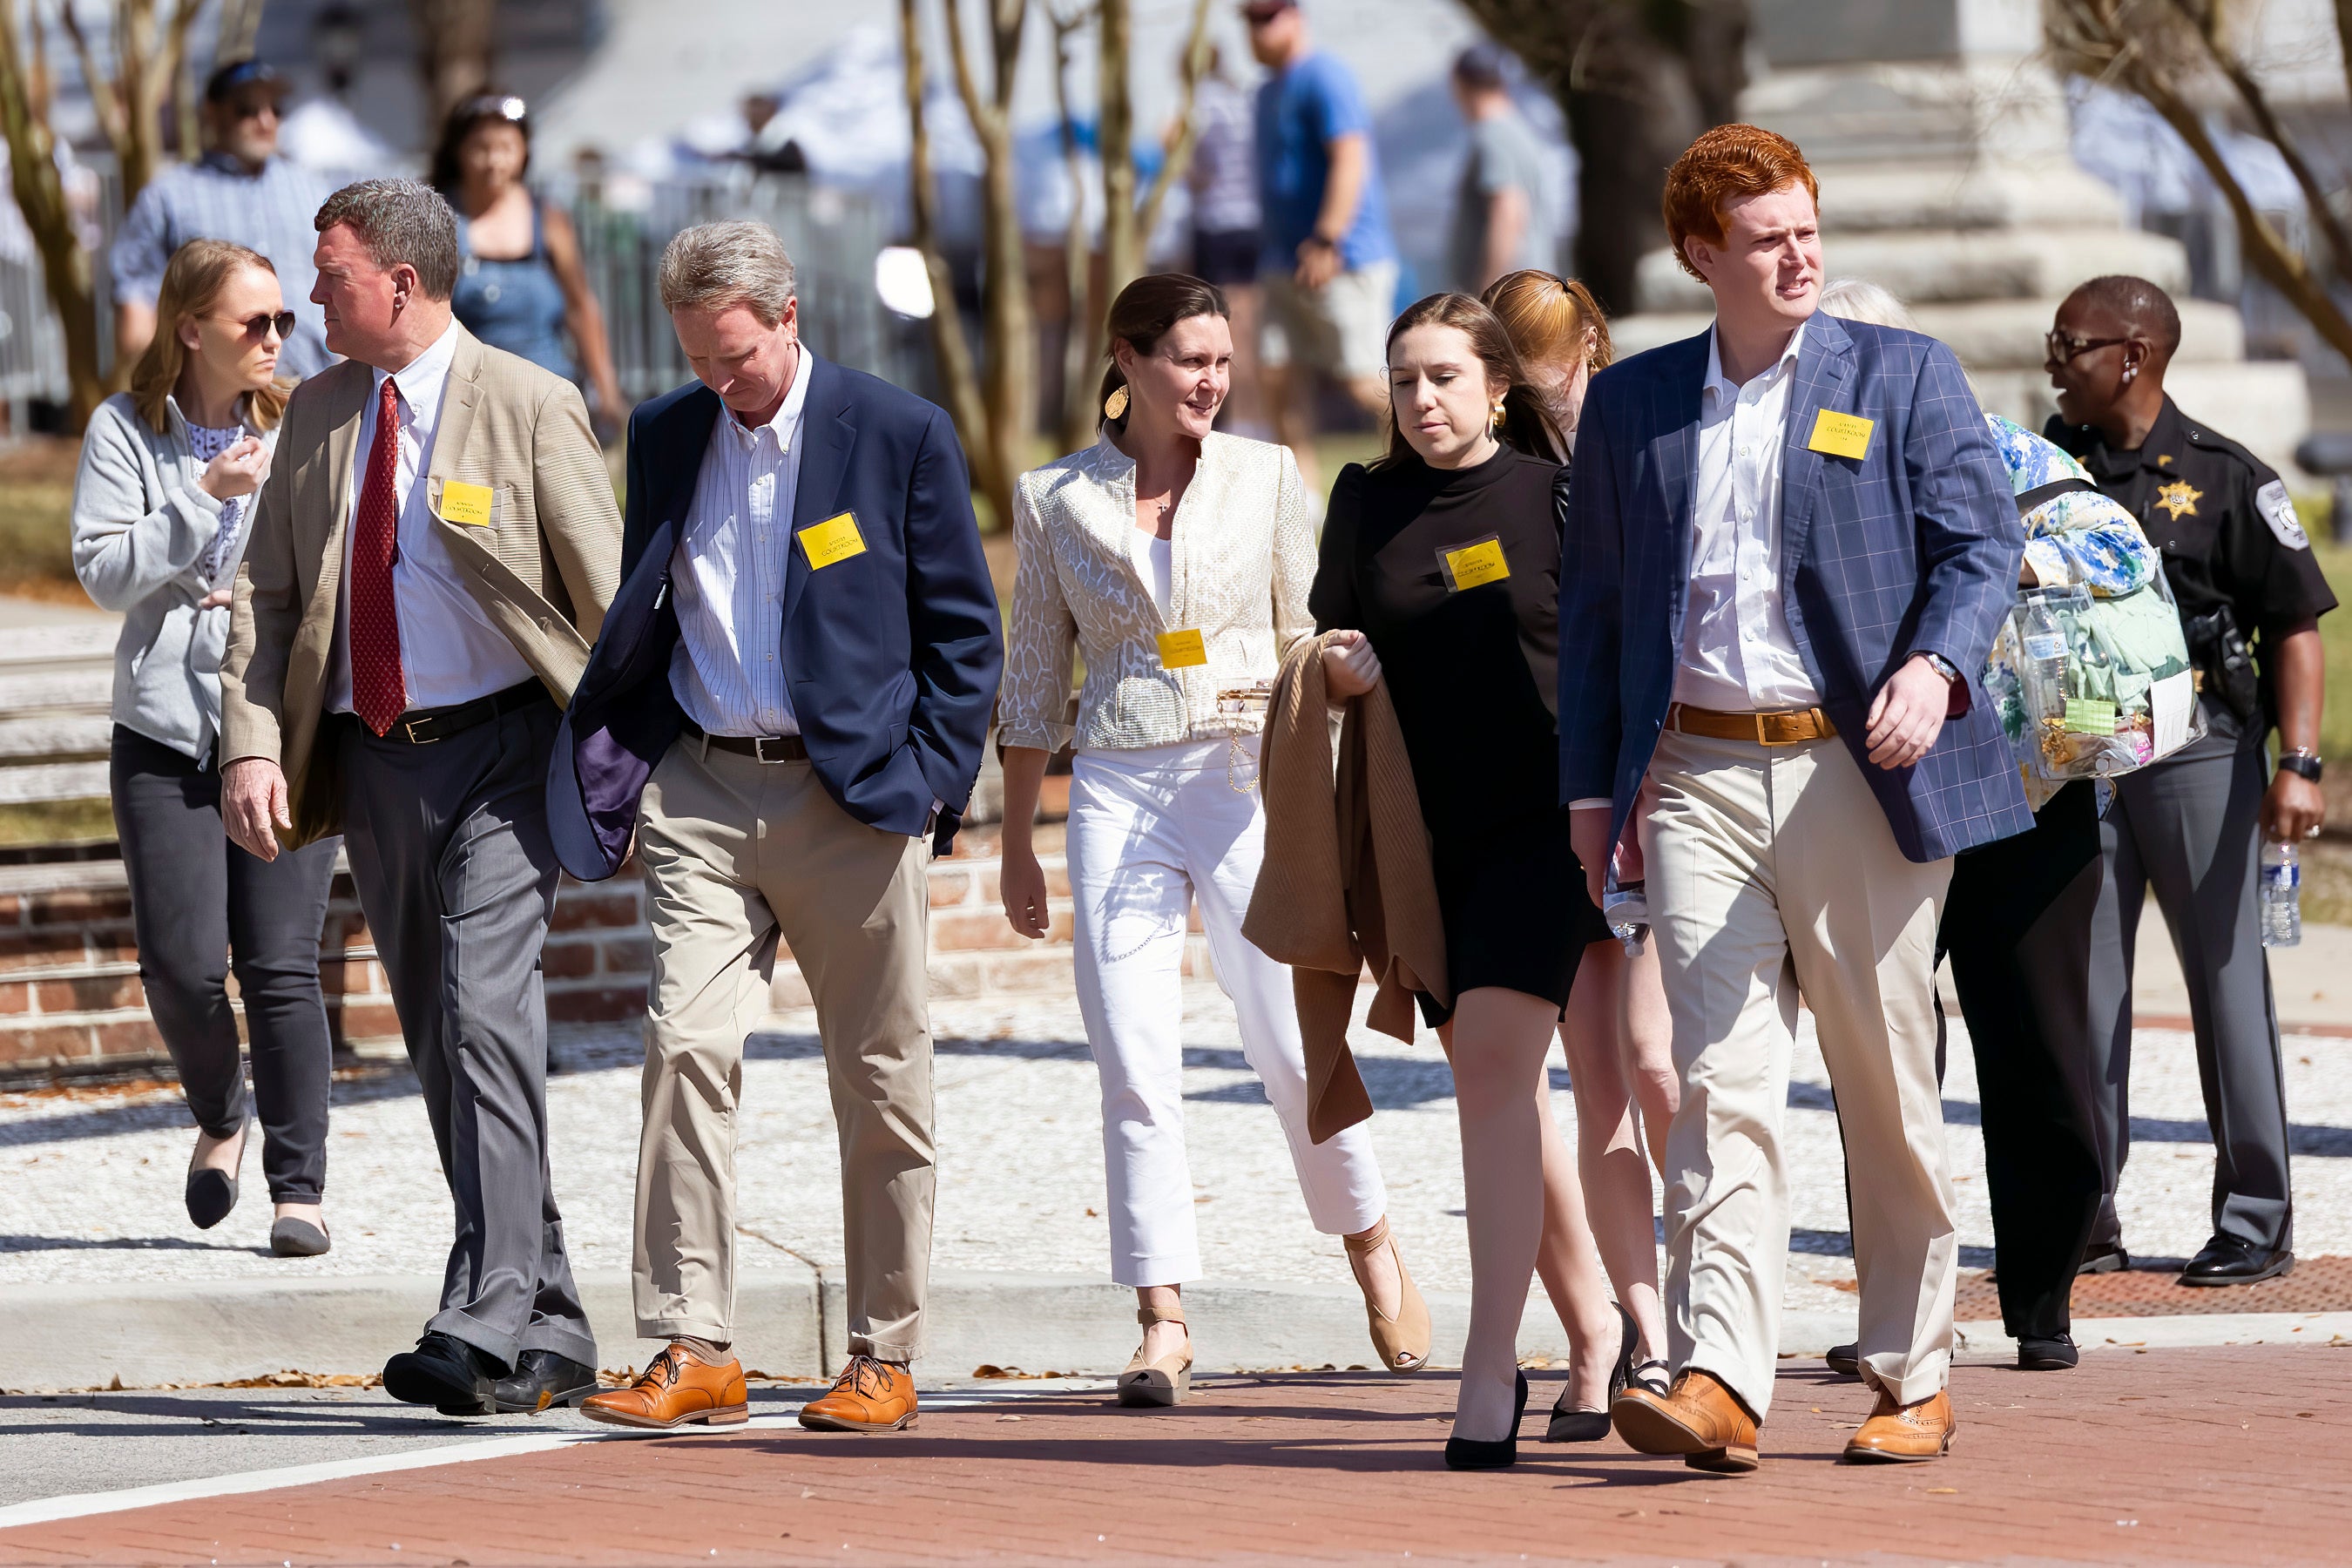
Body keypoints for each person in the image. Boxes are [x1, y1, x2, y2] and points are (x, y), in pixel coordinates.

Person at [1560, 125, 2030, 1472]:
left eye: (1808, 229)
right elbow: (1593, 614)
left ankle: (1911, 1371)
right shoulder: (1635, 404)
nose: (1799, 255)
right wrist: (1595, 799)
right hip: (1696, 771)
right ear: (1701, 254)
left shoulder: (1901, 375)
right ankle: (1720, 1376)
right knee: (1715, 1084)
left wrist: (1938, 668)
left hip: (1858, 771)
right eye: (1767, 239)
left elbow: (1980, 542)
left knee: (1882, 1084)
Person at [549, 220, 1002, 1436]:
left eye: (736, 356)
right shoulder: (664, 433)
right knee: (682, 1049)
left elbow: (966, 637)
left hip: (853, 799)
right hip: (699, 788)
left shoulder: (898, 432)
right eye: (697, 356)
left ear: (789, 318)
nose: (717, 381)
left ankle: (884, 1352)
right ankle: (696, 1344)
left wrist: (927, 788)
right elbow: (649, 601)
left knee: (880, 1078)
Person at [219, 178, 623, 1417]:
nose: (308, 295)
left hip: (506, 757)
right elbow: (268, 601)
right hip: (374, 760)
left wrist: (635, 773)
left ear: (400, 280)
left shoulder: (532, 405)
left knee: (484, 1010)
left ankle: (485, 1309)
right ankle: (549, 1319)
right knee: (447, 1036)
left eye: (330, 273)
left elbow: (606, 611)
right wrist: (250, 744)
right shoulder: (321, 415)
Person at [997, 274, 1429, 1405]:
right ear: (1128, 362)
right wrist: (1013, 841)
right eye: (1188, 359)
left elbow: (1302, 634)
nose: (1209, 381)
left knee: (1291, 1043)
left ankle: (1371, 1242)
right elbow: (1035, 676)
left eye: (1222, 361)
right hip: (1117, 788)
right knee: (1134, 1062)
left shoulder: (1269, 473)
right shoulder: (1056, 497)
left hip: (1248, 778)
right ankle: (1162, 1319)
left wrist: (1335, 760)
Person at [1313, 292, 1616, 1470]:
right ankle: (1597, 1325)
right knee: (1503, 1096)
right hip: (1425, 840)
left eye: (1445, 377)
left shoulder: (1556, 499)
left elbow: (1610, 649)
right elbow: (1332, 636)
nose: (1422, 402)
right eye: (1404, 381)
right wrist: (1331, 668)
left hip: (1550, 824)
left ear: (1500, 386)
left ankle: (1492, 1365)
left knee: (1503, 1071)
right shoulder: (1365, 502)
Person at [2044, 274, 2335, 1287]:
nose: (2053, 359)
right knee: (2086, 992)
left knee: (2227, 987)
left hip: (2201, 756)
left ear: (2133, 354)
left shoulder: (2223, 476)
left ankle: (2255, 1219)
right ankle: (2088, 1214)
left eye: (2070, 343)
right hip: (2081, 761)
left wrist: (2298, 764)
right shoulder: (2049, 464)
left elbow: (2294, 624)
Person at [71, 239, 339, 1258]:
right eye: (254, 323)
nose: (277, 338)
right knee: (182, 968)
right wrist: (203, 499)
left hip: (279, 724)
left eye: (282, 320)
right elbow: (103, 574)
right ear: (192, 330)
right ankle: (224, 1114)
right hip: (163, 731)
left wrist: (264, 596)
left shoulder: (306, 418)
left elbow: (342, 557)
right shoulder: (124, 433)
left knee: (279, 964)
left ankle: (299, 1188)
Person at [1482, 267, 1676, 1431]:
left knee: (1658, 1063)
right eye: (1517, 366)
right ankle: (1637, 1336)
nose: (1540, 384)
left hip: (1651, 781)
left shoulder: (1645, 425)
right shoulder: (1500, 471)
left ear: (1586, 342)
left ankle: (1703, 1311)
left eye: (1546, 358)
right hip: (1549, 801)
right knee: (1599, 1076)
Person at [1245, 0, 1399, 490]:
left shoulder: (1325, 76)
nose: (1257, 29)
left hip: (1342, 258)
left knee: (1362, 381)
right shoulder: (1267, 92)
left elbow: (1350, 157)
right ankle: (1302, 494)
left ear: (1296, 16)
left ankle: (1455, 451)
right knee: (1276, 374)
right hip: (1283, 260)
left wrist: (1328, 237)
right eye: (1249, 18)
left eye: (1267, 16)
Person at [112, 62, 336, 382]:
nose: (265, 120)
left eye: (275, 108)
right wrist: (151, 393)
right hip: (216, 403)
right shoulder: (168, 196)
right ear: (212, 114)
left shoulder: (311, 189)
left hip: (315, 390)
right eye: (247, 109)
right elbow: (136, 296)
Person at [429, 91, 626, 436]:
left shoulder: (548, 219)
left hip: (547, 401)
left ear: (524, 152)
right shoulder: (439, 219)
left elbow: (580, 307)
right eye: (481, 148)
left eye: (506, 148)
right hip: (465, 408)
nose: (494, 161)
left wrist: (607, 391)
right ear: (457, 151)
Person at [1183, 47, 1268, 436]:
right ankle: (1254, 419)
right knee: (1249, 329)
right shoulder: (1244, 101)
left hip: (1217, 226)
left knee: (1223, 331)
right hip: (1253, 224)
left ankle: (1235, 422)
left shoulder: (1197, 106)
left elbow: (1197, 174)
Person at [1448, 47, 1554, 294]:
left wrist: (1487, 292)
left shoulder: (1492, 136)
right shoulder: (1517, 129)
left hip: (1508, 296)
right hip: (1526, 291)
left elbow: (1507, 212)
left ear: (1460, 85)